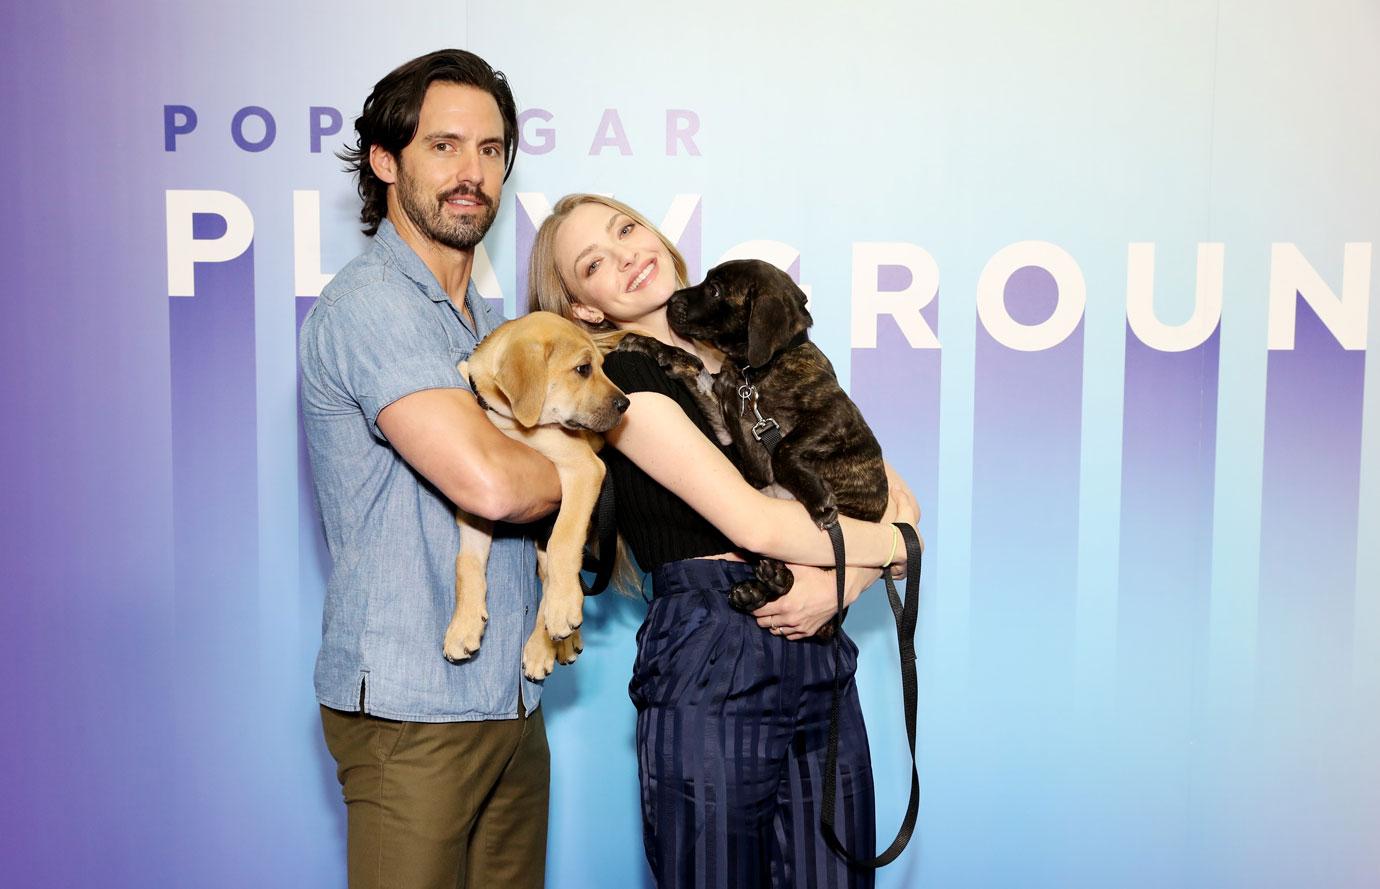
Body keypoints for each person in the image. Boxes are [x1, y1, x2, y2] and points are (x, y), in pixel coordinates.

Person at [528, 193, 921, 889]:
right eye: (595, 263)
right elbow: (755, 523)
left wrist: (840, 584)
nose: (625, 256)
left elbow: (893, 493)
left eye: (627, 229)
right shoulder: (624, 390)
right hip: (713, 652)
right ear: (585, 307)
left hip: (817, 640)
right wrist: (891, 547)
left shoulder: (759, 347)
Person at [298, 50, 560, 889]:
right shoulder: (372, 305)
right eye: (445, 146)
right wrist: (592, 477)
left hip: (511, 703)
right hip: (412, 714)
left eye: (490, 150)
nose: (472, 173)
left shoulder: (491, 321)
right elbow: (491, 485)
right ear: (385, 162)